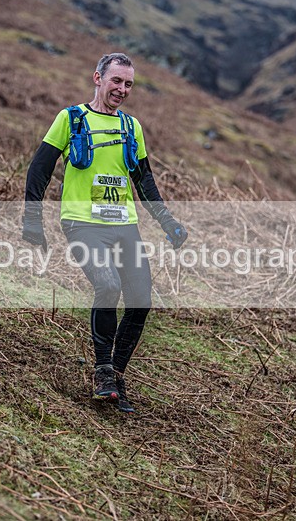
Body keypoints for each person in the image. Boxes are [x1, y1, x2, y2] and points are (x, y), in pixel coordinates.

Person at [22, 53, 187, 413]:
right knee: (108, 285)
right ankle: (102, 370)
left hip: (123, 225)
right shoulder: (71, 119)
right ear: (98, 78)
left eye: (128, 84)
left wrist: (167, 221)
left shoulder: (132, 128)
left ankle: (114, 374)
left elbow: (145, 182)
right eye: (116, 81)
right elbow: (39, 169)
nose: (122, 90)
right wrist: (32, 220)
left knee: (141, 300)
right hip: (82, 223)